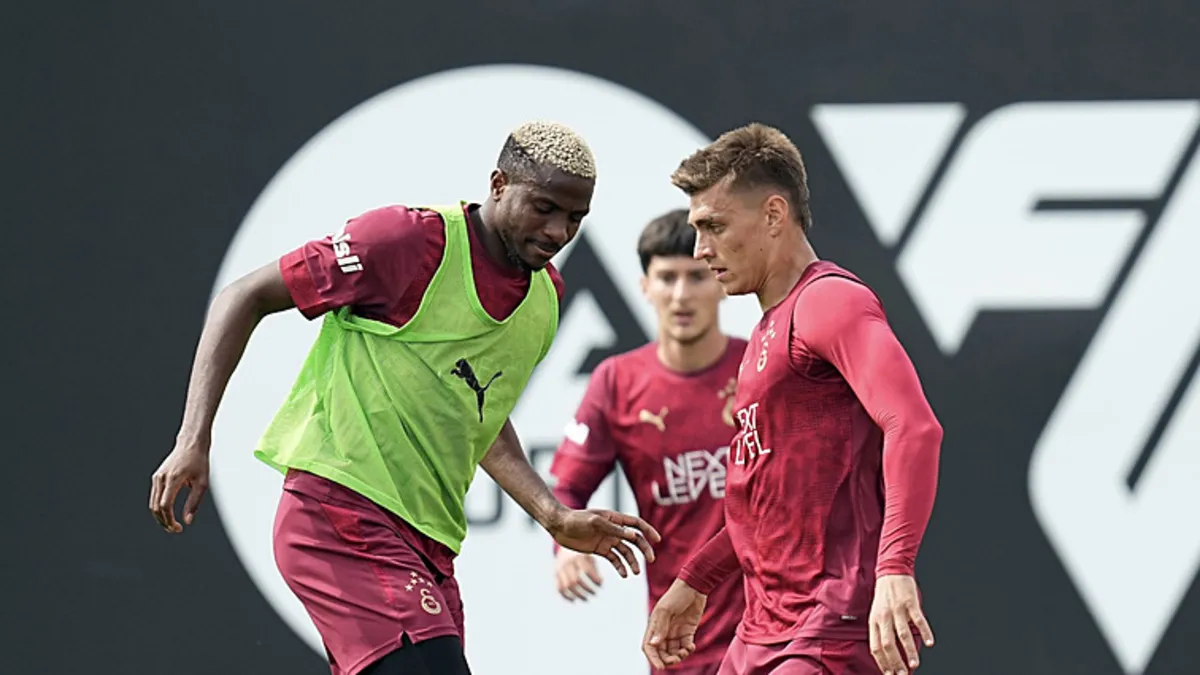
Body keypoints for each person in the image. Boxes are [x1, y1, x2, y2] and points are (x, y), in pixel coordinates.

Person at [148, 121, 661, 675]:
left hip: (429, 545)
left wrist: (553, 515)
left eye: (575, 217)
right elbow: (244, 296)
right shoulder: (404, 241)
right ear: (498, 184)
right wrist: (192, 439)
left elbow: (481, 416)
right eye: (544, 208)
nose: (559, 231)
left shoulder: (545, 300)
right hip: (339, 517)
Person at [641, 123, 942, 675]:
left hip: (829, 628)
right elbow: (765, 501)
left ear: (774, 215)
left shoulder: (829, 302)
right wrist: (695, 579)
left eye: (714, 226)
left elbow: (914, 426)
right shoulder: (764, 333)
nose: (702, 250)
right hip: (761, 631)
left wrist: (895, 567)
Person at [549, 209, 748, 674]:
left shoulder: (760, 366)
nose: (681, 295)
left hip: (773, 634)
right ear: (645, 287)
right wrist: (566, 543)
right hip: (680, 642)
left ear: (721, 282)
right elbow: (567, 489)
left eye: (696, 277)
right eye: (667, 278)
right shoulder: (617, 382)